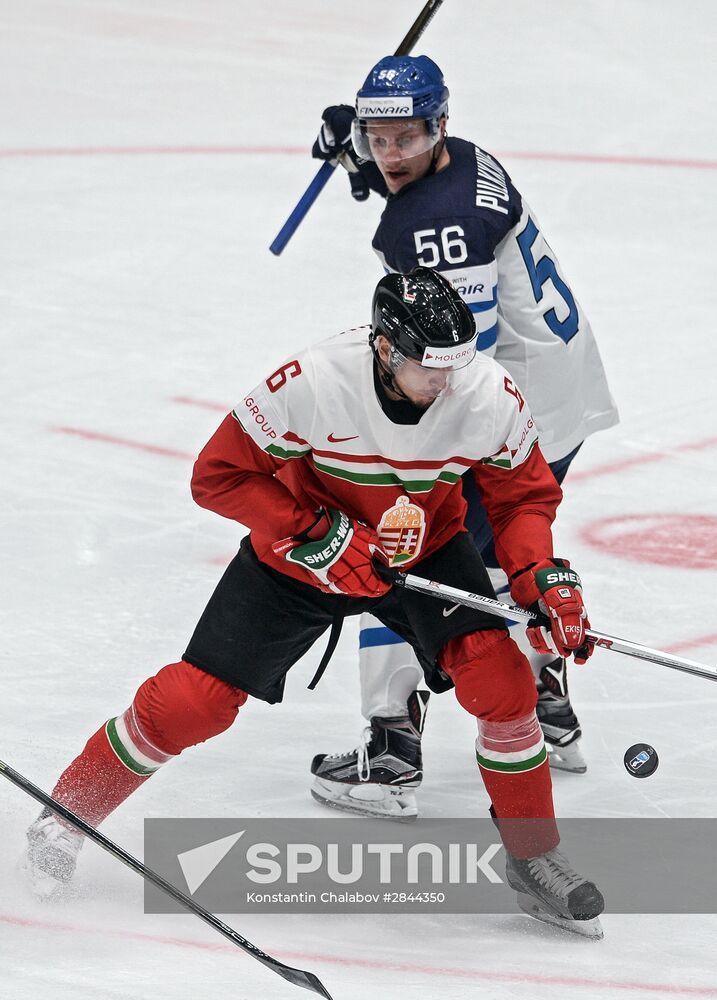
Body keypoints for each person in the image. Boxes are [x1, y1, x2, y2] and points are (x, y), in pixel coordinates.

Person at [25, 268, 604, 938]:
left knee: (501, 683)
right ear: (386, 350)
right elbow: (216, 476)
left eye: (456, 364)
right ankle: (63, 816)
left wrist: (540, 575)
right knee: (193, 702)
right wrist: (309, 531)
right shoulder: (311, 382)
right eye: (429, 368)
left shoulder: (486, 393)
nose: (447, 382)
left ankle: (534, 858)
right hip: (302, 555)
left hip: (423, 550)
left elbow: (521, 497)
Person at [309, 55, 619, 817]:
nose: (389, 152)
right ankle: (549, 708)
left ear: (437, 124)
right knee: (505, 557)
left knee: (399, 554)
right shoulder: (466, 159)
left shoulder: (436, 225)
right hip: (560, 391)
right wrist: (363, 149)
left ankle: (390, 748)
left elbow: (452, 357)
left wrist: (400, 458)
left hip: (507, 408)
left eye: (403, 136)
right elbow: (407, 178)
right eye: (379, 135)